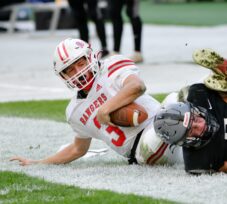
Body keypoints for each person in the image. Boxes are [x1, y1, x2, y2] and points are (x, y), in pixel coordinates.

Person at [10, 38, 182, 166]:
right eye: (70, 70)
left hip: (161, 122)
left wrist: (105, 109)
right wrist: (37, 162)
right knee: (173, 110)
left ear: (90, 56)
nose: (78, 72)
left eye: (80, 63)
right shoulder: (74, 111)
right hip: (144, 149)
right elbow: (78, 149)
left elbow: (137, 86)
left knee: (178, 99)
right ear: (64, 76)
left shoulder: (112, 66)